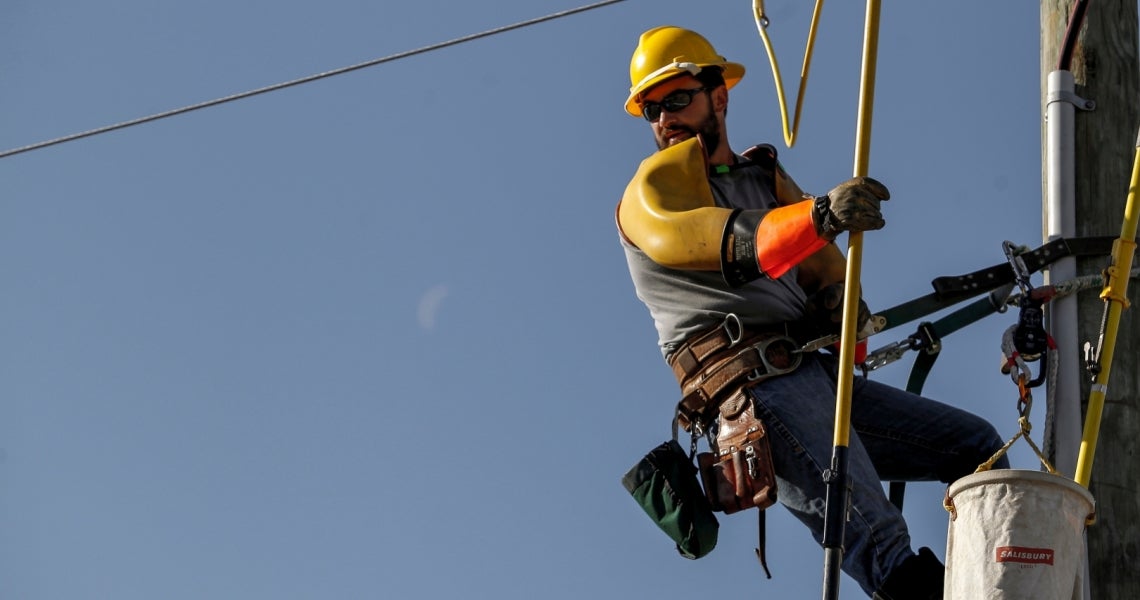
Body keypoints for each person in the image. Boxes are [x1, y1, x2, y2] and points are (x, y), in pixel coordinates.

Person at [615, 25, 1009, 600]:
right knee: (880, 544)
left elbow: (829, 280)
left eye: (678, 99)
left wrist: (841, 312)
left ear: (718, 97)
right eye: (652, 108)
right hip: (755, 387)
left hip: (813, 376)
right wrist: (819, 216)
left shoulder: (762, 181)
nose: (665, 119)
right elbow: (710, 239)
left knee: (979, 451)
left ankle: (1004, 581)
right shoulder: (652, 194)